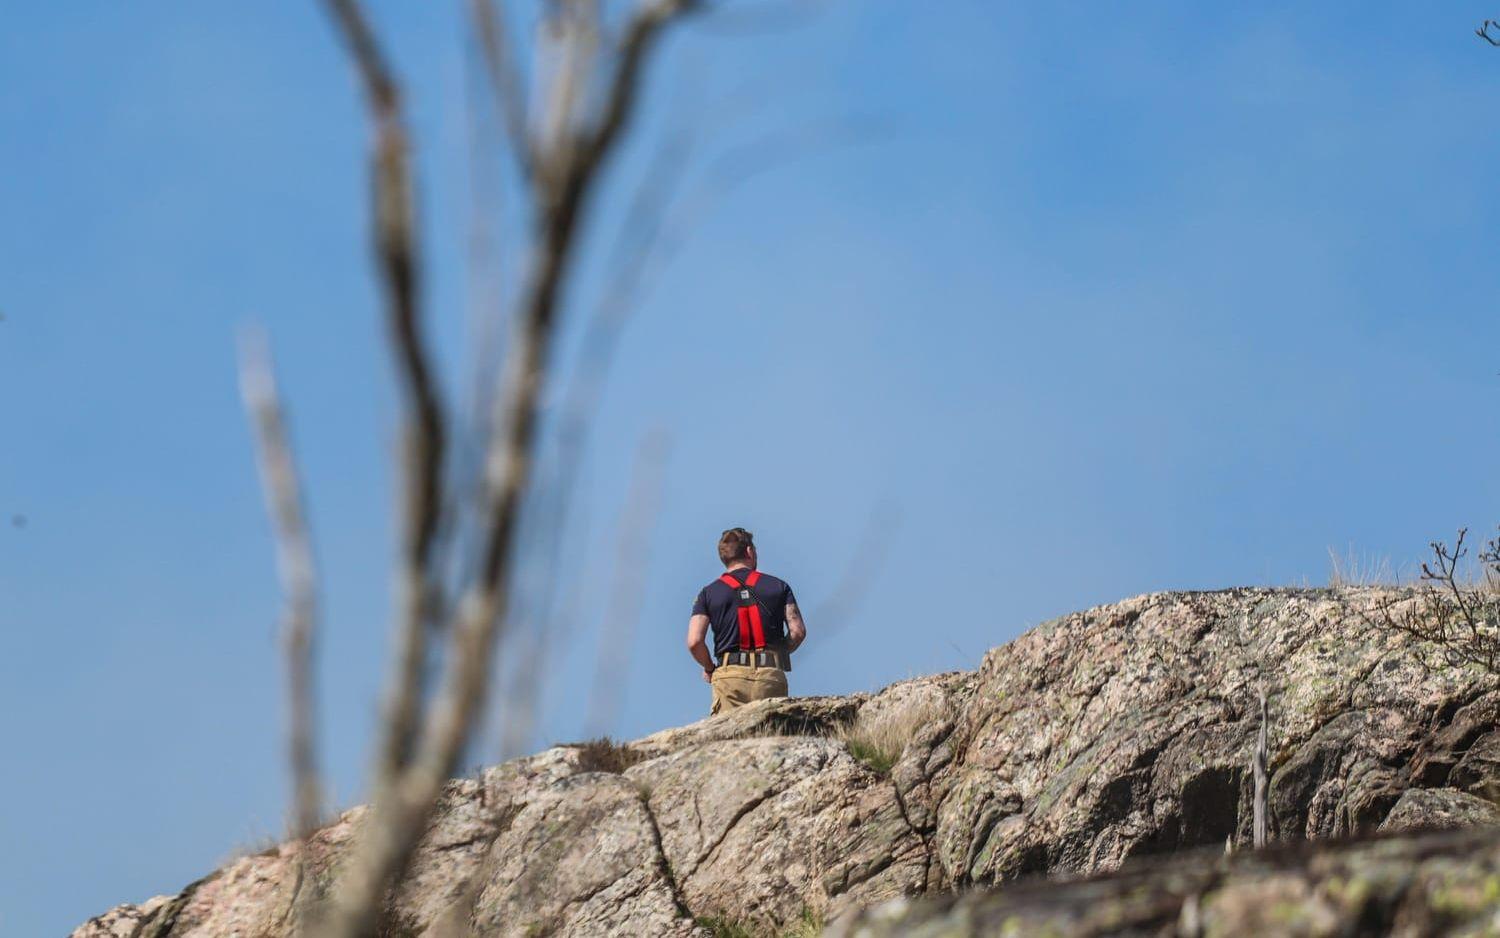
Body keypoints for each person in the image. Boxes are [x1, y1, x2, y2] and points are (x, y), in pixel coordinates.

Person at [686, 527, 806, 714]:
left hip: (729, 678)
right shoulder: (779, 586)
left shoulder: (707, 593)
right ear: (749, 551)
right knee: (771, 738)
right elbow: (797, 632)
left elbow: (694, 641)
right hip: (770, 675)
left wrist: (709, 667)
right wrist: (779, 652)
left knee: (730, 740)